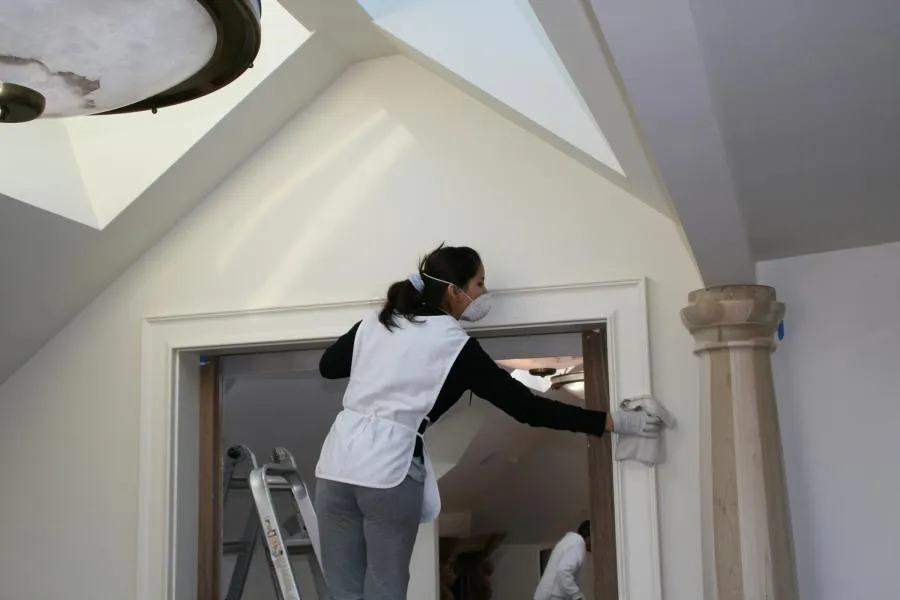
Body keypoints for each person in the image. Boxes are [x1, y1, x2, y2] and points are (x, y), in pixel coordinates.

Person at [315, 244, 661, 600]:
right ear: (454, 290)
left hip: (336, 466)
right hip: (387, 470)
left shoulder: (377, 321)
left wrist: (380, 359)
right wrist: (612, 422)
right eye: (479, 284)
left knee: (341, 587)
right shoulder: (453, 345)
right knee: (384, 586)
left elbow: (330, 367)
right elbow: (527, 408)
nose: (483, 293)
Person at [534, 521, 592, 600]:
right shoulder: (578, 542)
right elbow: (563, 571)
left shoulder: (570, 542)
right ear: (590, 536)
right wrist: (577, 596)